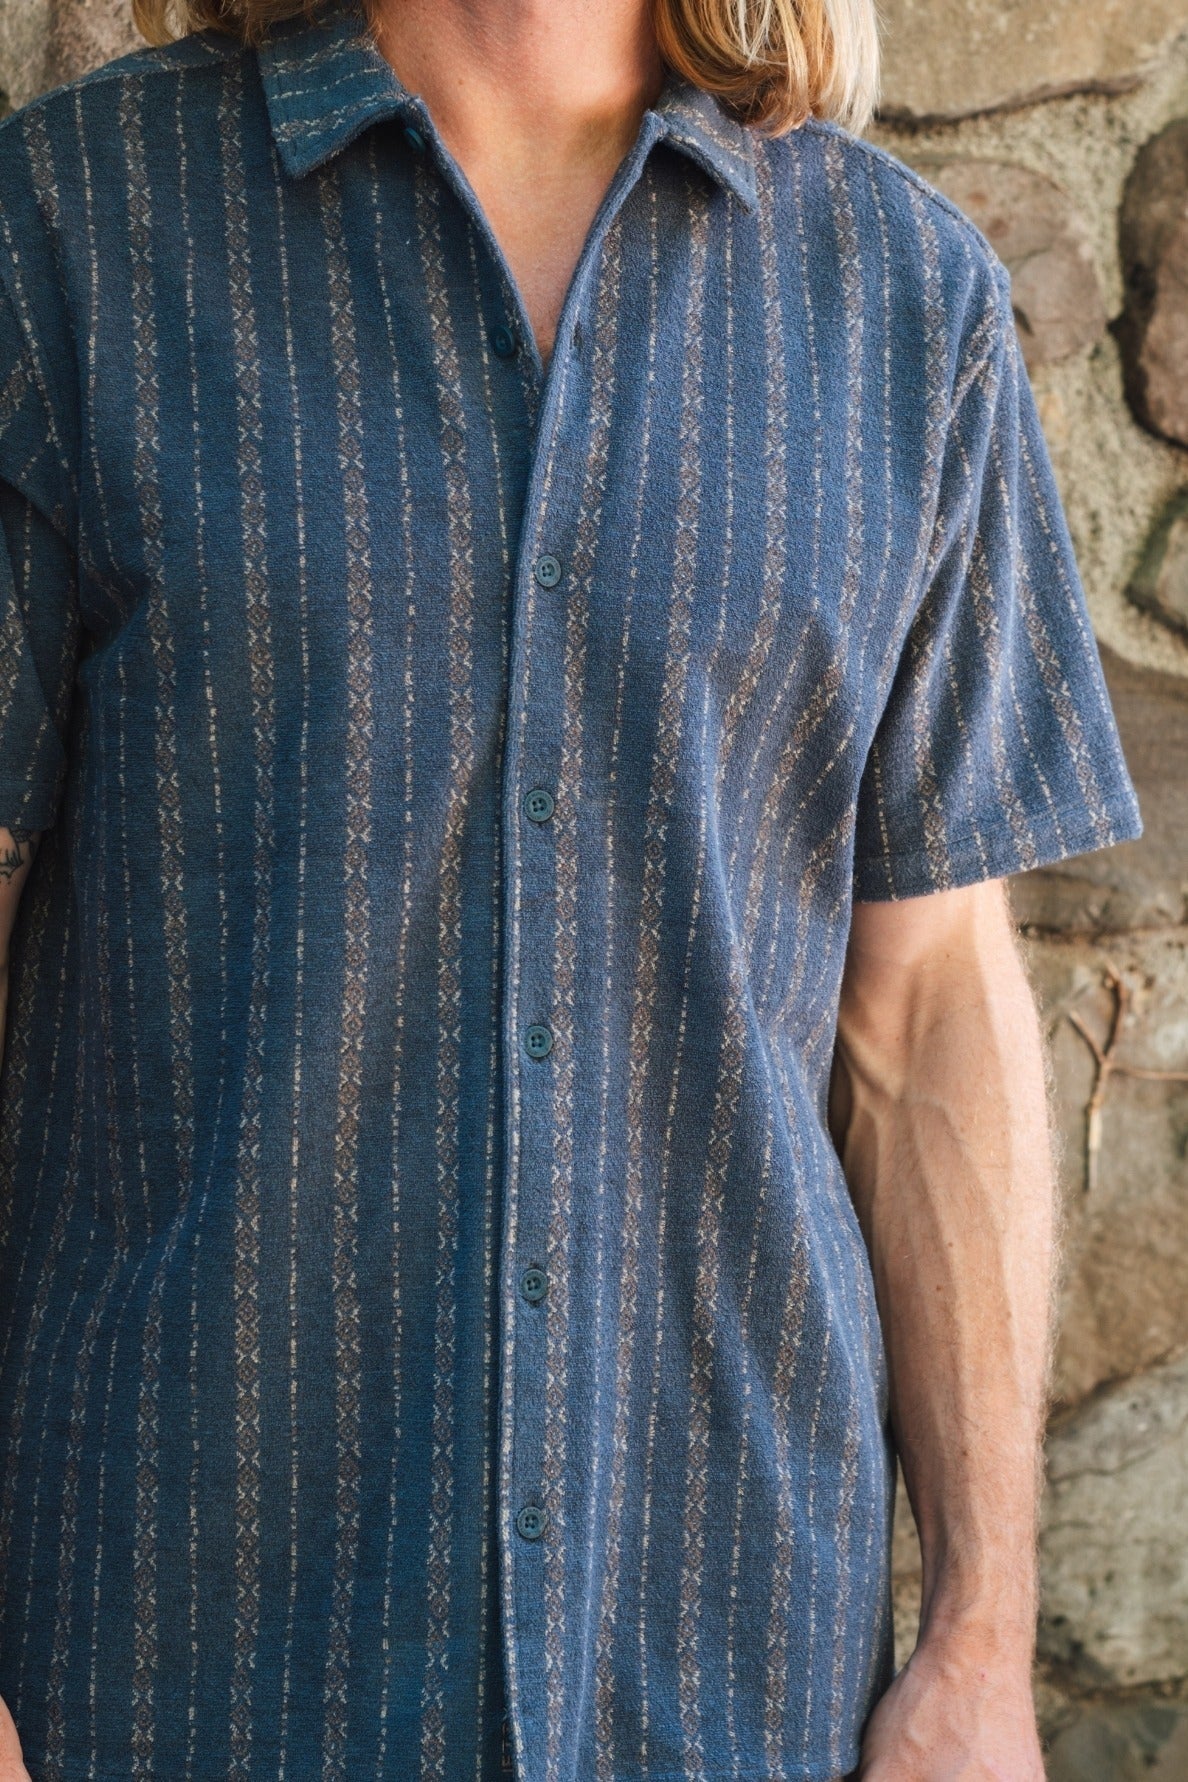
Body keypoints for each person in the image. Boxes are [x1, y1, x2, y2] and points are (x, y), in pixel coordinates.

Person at [0, 0, 1142, 1775]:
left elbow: (926, 1017)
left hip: (728, 1673)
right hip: (178, 1676)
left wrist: (982, 1636)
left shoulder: (907, 308)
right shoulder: (74, 237)